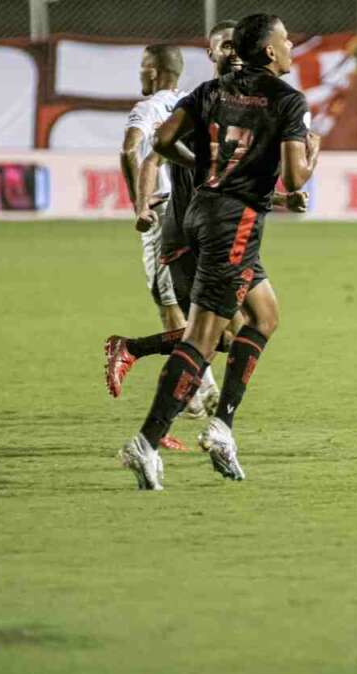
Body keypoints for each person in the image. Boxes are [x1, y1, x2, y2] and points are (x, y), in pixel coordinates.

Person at [116, 13, 320, 490]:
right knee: (203, 339)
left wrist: (210, 166)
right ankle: (145, 444)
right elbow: (294, 179)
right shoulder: (288, 100)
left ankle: (222, 427)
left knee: (264, 316)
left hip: (201, 213)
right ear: (269, 51)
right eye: (286, 41)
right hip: (235, 224)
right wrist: (313, 152)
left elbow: (164, 141)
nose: (292, 47)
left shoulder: (212, 91)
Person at [116, 43, 190, 448]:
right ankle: (201, 386)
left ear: (156, 71)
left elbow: (129, 149)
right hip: (193, 213)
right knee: (198, 304)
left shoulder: (148, 109)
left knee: (168, 305)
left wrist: (137, 202)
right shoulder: (194, 102)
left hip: (161, 215)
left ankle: (190, 396)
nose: (140, 76)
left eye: (143, 69)